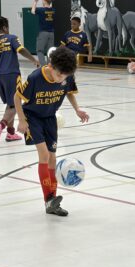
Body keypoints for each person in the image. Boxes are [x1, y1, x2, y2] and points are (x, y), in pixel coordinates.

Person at [14, 46, 89, 216]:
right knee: (44, 155)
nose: (61, 79)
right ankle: (48, 200)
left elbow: (69, 92)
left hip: (50, 118)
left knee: (53, 158)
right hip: (32, 117)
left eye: (65, 76)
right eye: (59, 75)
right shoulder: (35, 77)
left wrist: (77, 109)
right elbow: (17, 97)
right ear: (51, 66)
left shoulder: (67, 76)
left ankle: (52, 202)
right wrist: (21, 119)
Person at [0, 16, 39, 145]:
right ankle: (1, 125)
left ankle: (11, 133)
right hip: (12, 74)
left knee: (10, 104)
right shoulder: (11, 37)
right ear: (5, 27)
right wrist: (33, 59)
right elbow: (21, 49)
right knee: (15, 102)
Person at [32, 0, 55, 66]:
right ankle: (49, 66)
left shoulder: (41, 10)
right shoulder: (54, 10)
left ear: (45, 1)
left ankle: (44, 67)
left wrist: (35, 2)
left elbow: (33, 11)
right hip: (52, 34)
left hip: (43, 33)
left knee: (40, 51)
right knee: (50, 51)